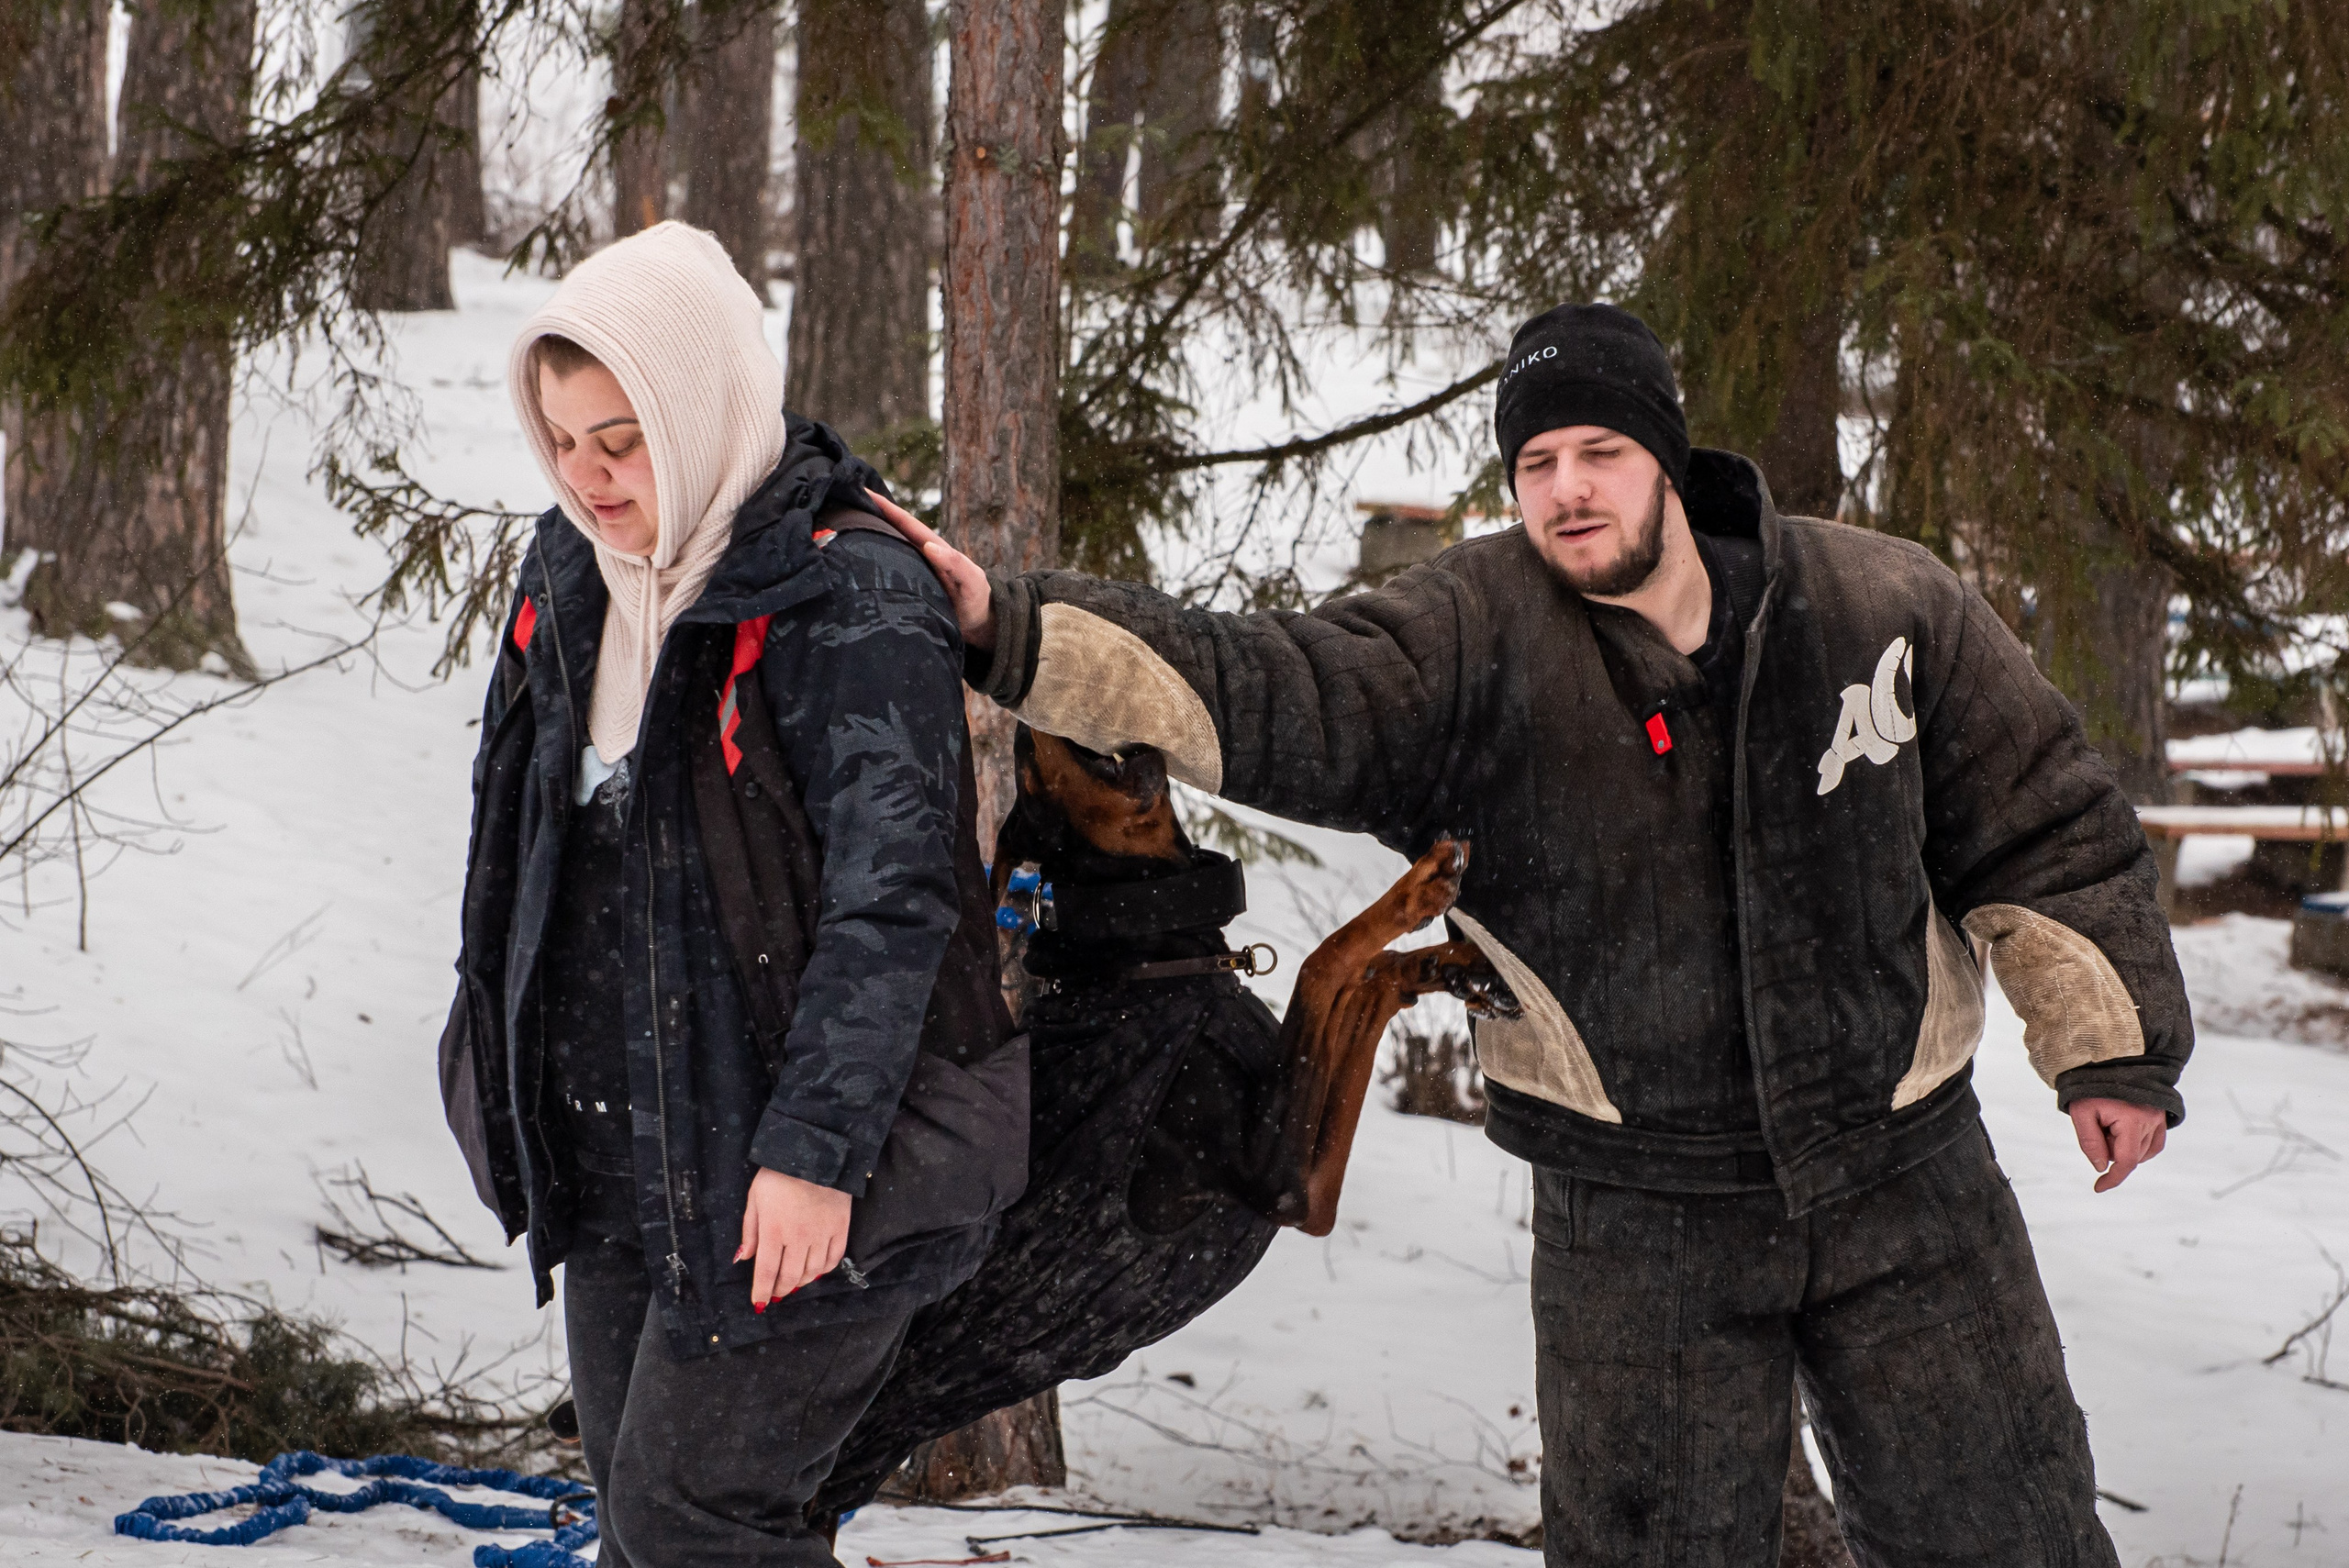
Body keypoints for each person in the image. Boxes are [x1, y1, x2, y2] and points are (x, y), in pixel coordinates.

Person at [874, 302, 2189, 1565]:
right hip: (1636, 1217)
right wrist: (1010, 626)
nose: (1566, 488)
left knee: (2012, 1536)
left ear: (1667, 459)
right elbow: (1279, 685)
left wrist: (2112, 1049)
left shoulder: (1878, 608)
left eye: (1600, 453)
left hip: (1908, 1175)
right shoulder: (1471, 640)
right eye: (1536, 462)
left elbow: (2041, 813)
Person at [441, 221, 1023, 1567]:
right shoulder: (570, 573)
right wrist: (495, 1064)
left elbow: (896, 903)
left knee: (689, 1514)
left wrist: (814, 1155)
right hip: (618, 1144)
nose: (589, 478)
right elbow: (511, 837)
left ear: (698, 405)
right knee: (641, 1514)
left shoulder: (848, 591)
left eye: (622, 439)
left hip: (804, 1158)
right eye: (563, 439)